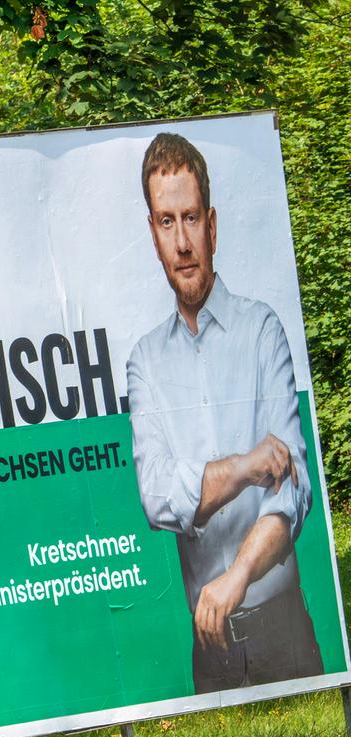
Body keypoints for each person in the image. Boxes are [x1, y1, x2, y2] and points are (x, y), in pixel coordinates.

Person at [124, 132, 323, 693]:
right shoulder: (145, 363)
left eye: (191, 219)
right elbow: (157, 496)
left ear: (212, 225)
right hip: (208, 655)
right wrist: (243, 467)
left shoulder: (262, 332)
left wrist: (236, 576)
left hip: (283, 629)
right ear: (153, 233)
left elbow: (293, 490)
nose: (183, 241)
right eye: (167, 222)